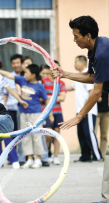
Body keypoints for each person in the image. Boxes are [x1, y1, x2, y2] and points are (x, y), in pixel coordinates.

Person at [50, 16, 109, 203]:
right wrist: (65, 73)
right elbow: (93, 77)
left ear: (88, 35)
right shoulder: (95, 49)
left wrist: (79, 116)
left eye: (76, 36)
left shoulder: (101, 53)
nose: (74, 40)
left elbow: (96, 90)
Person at [0, 64, 53, 169]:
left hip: (36, 114)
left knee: (37, 136)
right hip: (23, 113)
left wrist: (50, 114)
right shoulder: (22, 80)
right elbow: (9, 75)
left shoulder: (40, 86)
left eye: (27, 73)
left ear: (33, 75)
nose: (25, 74)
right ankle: (30, 159)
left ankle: (38, 159)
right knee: (25, 136)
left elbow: (47, 100)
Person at [0, 57, 28, 169]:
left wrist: (20, 100)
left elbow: (10, 91)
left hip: (0, 109)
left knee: (6, 135)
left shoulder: (1, 78)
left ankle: (14, 160)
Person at [65, 56, 101, 162]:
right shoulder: (79, 77)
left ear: (82, 62)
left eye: (75, 62)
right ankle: (85, 156)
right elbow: (70, 88)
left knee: (89, 133)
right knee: (81, 134)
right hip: (79, 111)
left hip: (88, 111)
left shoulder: (87, 74)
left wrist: (86, 109)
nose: (74, 64)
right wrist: (58, 86)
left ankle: (97, 156)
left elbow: (92, 93)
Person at [40, 63, 67, 165]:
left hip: (58, 111)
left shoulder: (61, 83)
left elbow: (63, 98)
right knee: (47, 134)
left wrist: (48, 97)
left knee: (57, 133)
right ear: (50, 69)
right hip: (46, 111)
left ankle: (55, 156)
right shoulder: (44, 81)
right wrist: (55, 97)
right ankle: (46, 155)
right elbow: (41, 97)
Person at [95, 91, 109, 158]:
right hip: (96, 112)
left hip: (106, 112)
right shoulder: (96, 81)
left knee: (104, 136)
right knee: (93, 133)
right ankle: (94, 153)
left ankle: (103, 155)